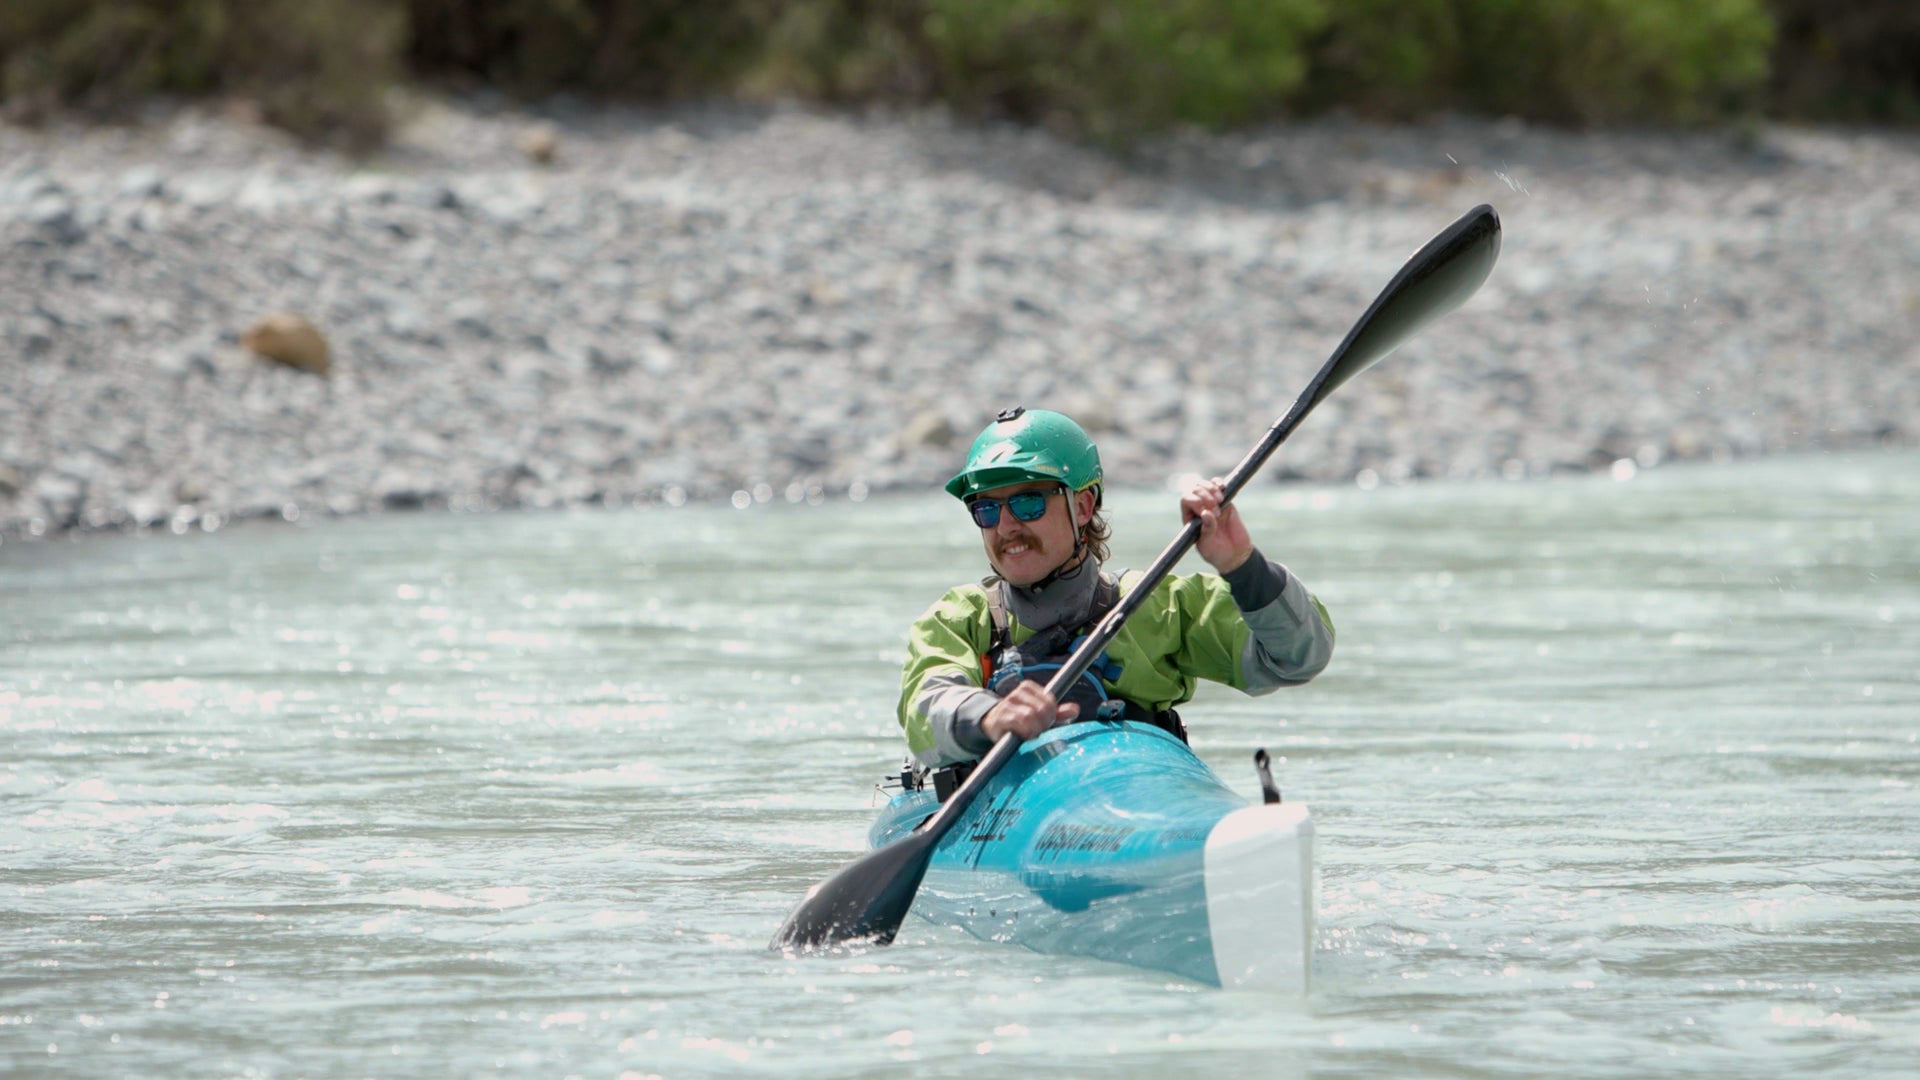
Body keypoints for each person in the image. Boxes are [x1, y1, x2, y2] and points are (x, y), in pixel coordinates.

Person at [898, 406, 1336, 777]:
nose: (1007, 526)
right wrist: (989, 715)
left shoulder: (1156, 605)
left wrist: (1241, 565)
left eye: (1028, 502)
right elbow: (927, 709)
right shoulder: (960, 619)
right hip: (1014, 811)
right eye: (987, 509)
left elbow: (1299, 658)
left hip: (1140, 789)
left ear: (1083, 506)